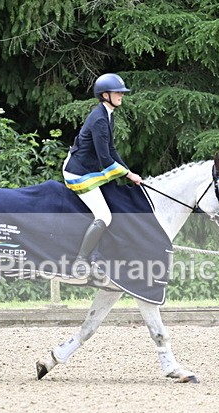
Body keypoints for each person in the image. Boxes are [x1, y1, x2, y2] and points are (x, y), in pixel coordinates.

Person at [62, 73, 143, 277]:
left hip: (88, 169)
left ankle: (98, 256)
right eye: (118, 92)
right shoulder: (99, 119)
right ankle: (81, 261)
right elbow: (105, 159)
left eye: (122, 92)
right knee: (104, 215)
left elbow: (111, 149)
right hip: (78, 174)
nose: (121, 95)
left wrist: (130, 171)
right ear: (105, 95)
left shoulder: (107, 114)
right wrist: (129, 175)